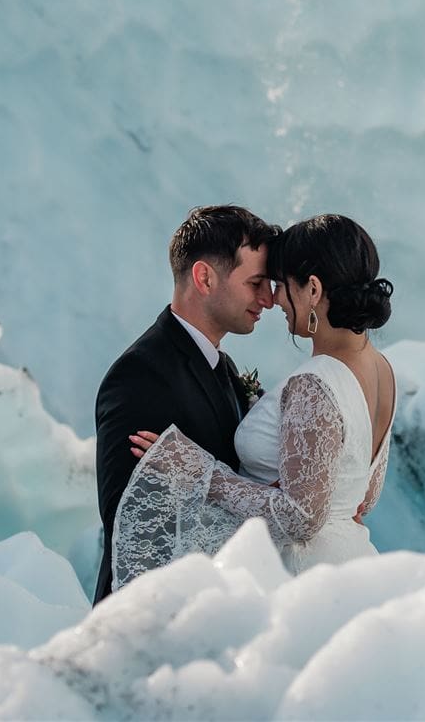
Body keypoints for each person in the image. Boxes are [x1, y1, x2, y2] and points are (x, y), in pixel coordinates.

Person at [109, 213, 397, 589]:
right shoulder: (384, 371)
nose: (274, 298)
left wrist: (203, 473)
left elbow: (301, 517)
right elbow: (364, 499)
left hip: (302, 579)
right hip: (354, 567)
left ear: (312, 290)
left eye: (280, 284)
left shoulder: (315, 381)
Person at [91, 204, 278, 603]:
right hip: (151, 616)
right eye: (256, 283)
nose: (268, 300)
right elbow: (130, 524)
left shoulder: (223, 368)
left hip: (211, 607)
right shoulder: (139, 376)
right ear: (205, 277)